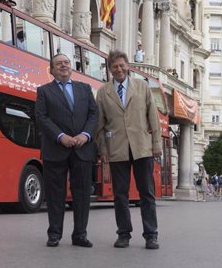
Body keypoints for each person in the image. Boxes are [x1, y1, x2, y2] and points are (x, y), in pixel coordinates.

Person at [95, 50, 162, 249]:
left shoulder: (142, 87)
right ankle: (123, 233)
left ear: (128, 66)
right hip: (117, 149)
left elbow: (153, 117)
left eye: (122, 65)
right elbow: (100, 124)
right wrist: (103, 150)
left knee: (147, 193)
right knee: (120, 194)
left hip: (142, 147)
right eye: (115, 66)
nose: (119, 69)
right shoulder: (103, 92)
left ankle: (151, 235)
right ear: (110, 69)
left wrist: (156, 143)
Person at [35, 53, 98, 248]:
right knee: (55, 195)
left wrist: (85, 135)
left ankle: (80, 234)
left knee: (82, 195)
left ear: (72, 67)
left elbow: (94, 114)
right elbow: (41, 117)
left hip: (82, 149)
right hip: (56, 149)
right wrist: (61, 136)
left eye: (67, 62)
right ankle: (54, 234)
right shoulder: (44, 91)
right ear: (52, 70)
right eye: (58, 63)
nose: (63, 65)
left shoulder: (85, 89)